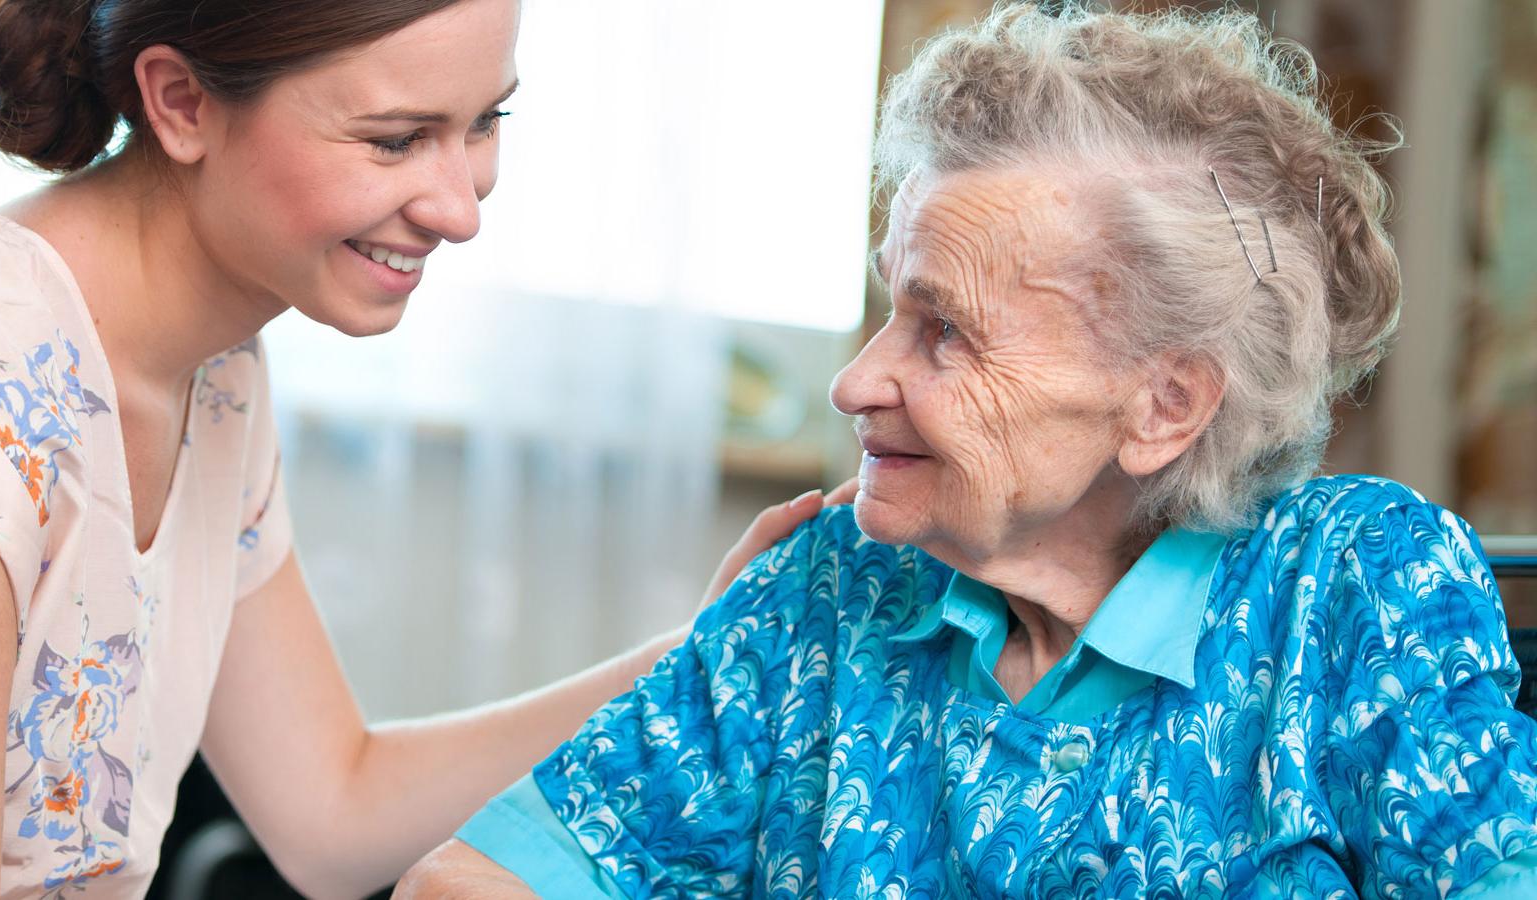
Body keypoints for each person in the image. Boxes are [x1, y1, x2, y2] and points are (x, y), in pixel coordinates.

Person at [397, 3, 1537, 897]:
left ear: (1162, 407)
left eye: (945, 332)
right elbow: (465, 882)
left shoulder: (1353, 586)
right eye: (891, 310)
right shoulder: (829, 581)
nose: (857, 383)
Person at [0, 0, 849, 895]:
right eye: (394, 140)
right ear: (181, 102)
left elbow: (334, 814)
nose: (461, 211)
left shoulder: (214, 372)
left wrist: (708, 651)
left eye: (485, 121)